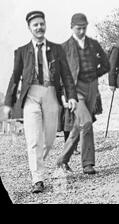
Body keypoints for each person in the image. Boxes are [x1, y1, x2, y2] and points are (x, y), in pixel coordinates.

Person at [3, 11, 77, 193]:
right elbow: (15, 77)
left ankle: (41, 166)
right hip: (31, 97)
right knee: (33, 139)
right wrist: (8, 103)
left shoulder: (57, 49)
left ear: (45, 25)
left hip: (51, 95)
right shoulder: (21, 52)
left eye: (41, 24)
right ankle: (38, 178)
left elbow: (66, 75)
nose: (39, 27)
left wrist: (71, 96)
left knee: (49, 139)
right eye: (35, 25)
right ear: (29, 28)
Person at [56, 13, 110, 175]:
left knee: (79, 125)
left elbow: (106, 64)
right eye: (78, 28)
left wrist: (95, 74)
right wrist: (64, 95)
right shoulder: (64, 48)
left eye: (84, 28)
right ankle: (88, 164)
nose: (81, 31)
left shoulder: (93, 44)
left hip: (91, 87)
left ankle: (62, 161)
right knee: (86, 122)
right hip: (74, 90)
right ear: (71, 27)